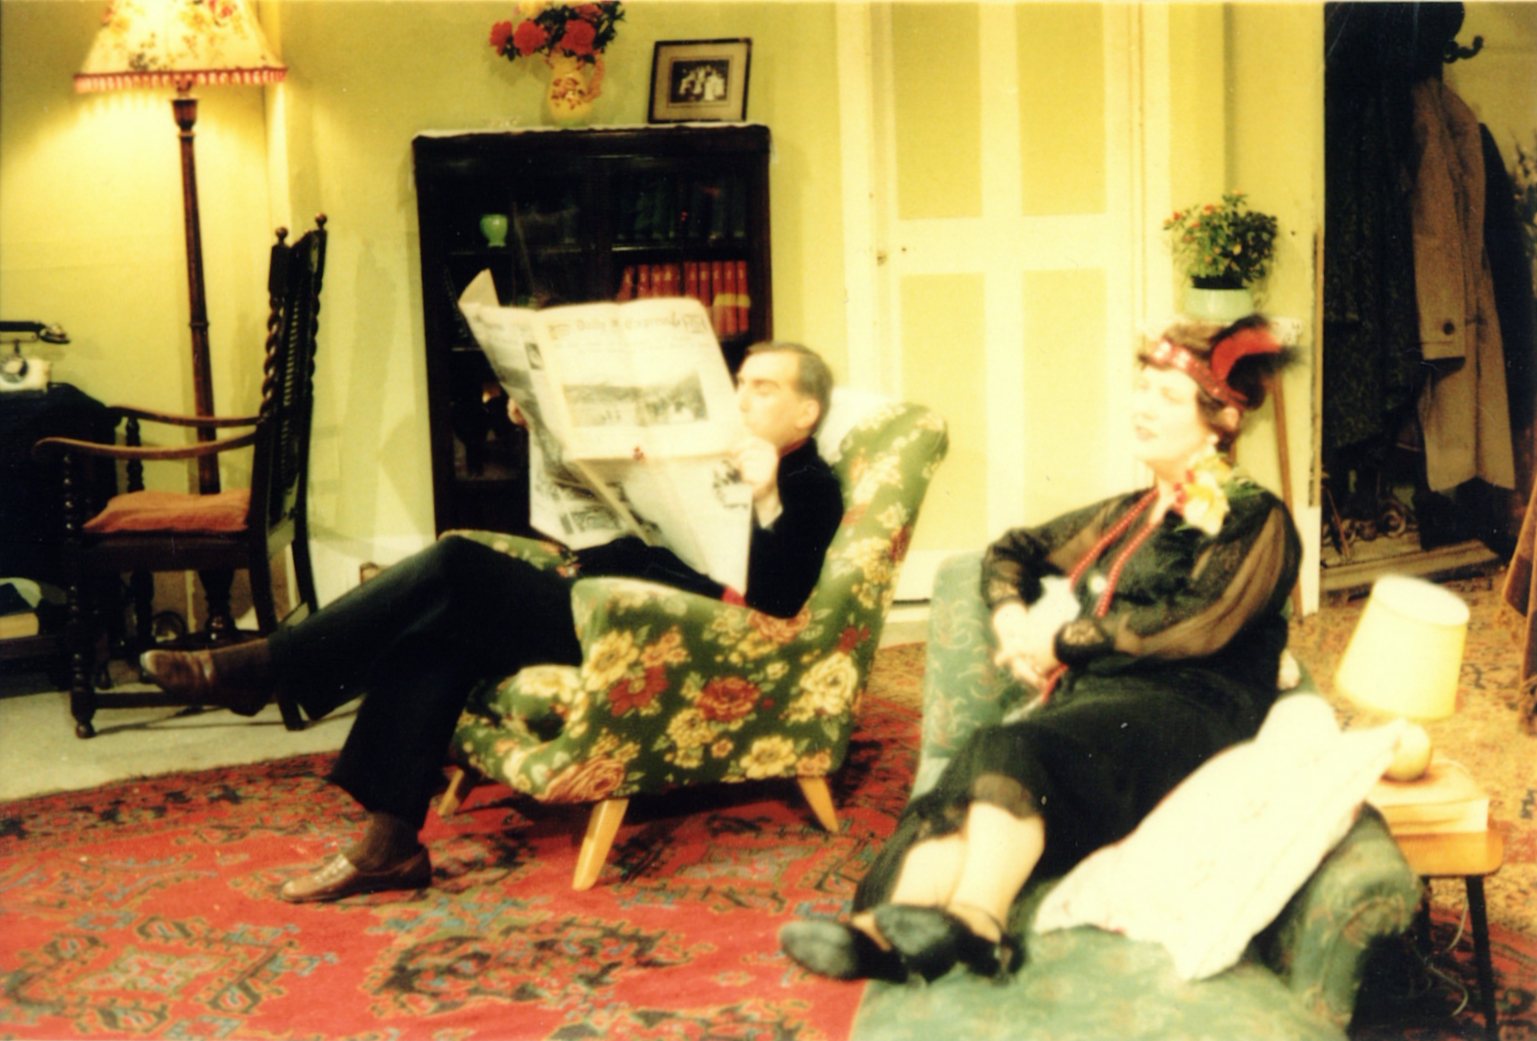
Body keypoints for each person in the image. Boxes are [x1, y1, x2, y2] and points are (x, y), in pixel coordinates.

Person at [142, 341, 844, 902]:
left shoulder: (809, 486)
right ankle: (390, 846)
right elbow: (602, 524)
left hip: (655, 634)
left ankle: (267, 666)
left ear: (805, 412)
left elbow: (779, 600)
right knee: (441, 630)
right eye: (740, 383)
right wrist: (547, 435)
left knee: (456, 564)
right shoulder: (703, 458)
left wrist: (766, 497)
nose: (741, 397)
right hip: (596, 599)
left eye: (764, 388)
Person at [779, 315, 1299, 983]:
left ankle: (979, 922)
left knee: (1013, 745)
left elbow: (1195, 623)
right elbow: (1012, 550)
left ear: (1220, 420)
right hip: (1101, 704)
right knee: (971, 771)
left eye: (1167, 397)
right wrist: (1011, 620)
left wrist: (1059, 641)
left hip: (1194, 712)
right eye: (1142, 388)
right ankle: (884, 933)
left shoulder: (1253, 513)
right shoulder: (1129, 512)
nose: (1141, 406)